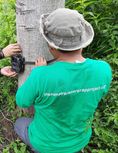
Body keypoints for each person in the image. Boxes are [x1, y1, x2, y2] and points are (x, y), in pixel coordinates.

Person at [14, 8, 112, 153]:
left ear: (51, 46)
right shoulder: (103, 69)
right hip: (80, 141)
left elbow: (22, 101)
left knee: (19, 123)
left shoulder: (41, 75)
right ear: (82, 41)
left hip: (46, 144)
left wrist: (39, 72)